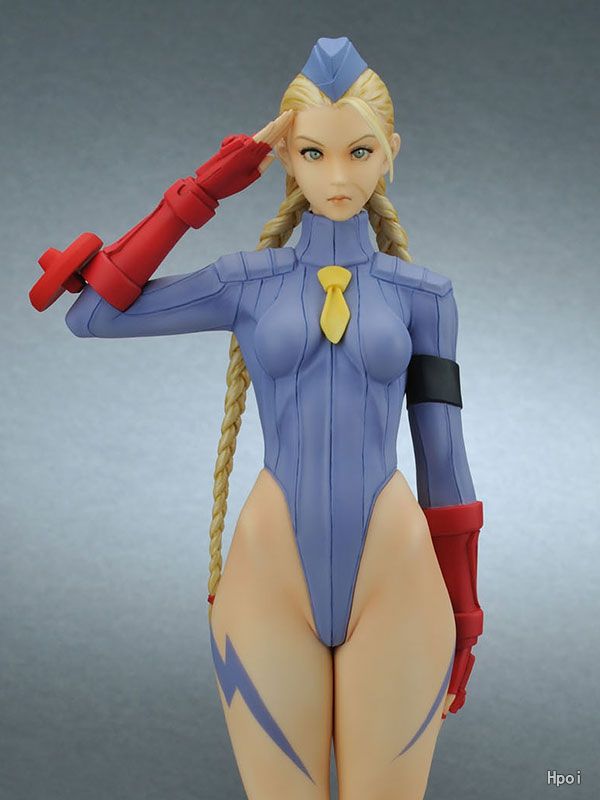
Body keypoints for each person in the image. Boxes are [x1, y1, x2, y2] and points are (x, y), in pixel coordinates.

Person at [30, 36, 484, 800]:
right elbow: (95, 315)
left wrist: (465, 620)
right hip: (271, 569)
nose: (336, 177)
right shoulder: (247, 282)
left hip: (398, 574)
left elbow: (447, 464)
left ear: (390, 152)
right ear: (284, 158)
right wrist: (205, 189)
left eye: (358, 151)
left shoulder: (425, 297)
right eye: (312, 153)